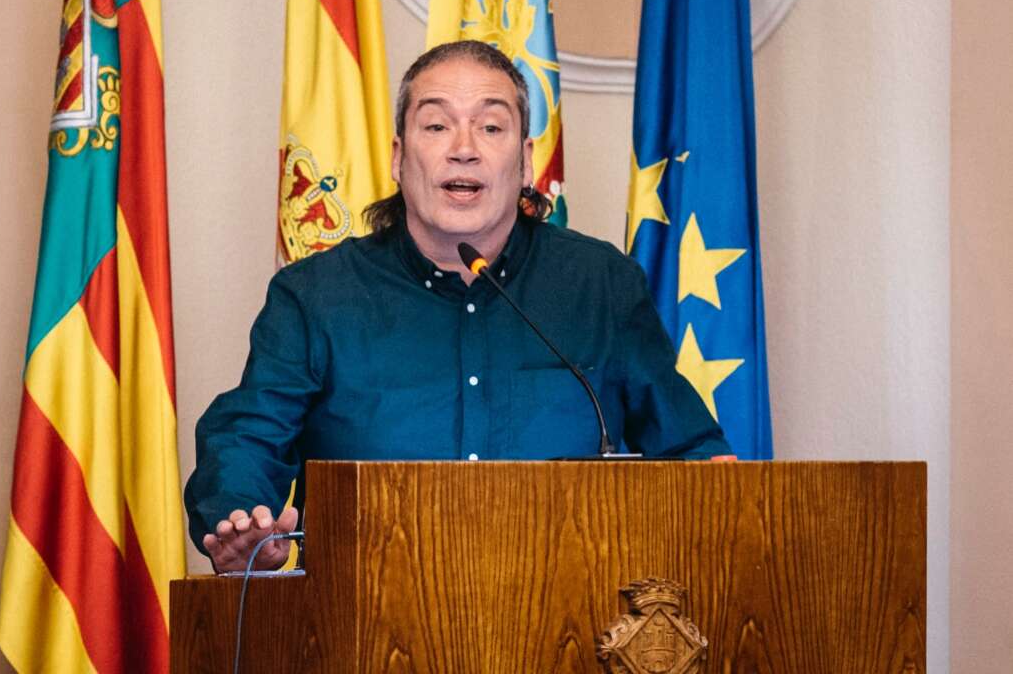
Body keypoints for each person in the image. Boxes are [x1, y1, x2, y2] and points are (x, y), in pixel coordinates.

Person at [185, 40, 732, 573]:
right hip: (368, 614)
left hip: (570, 610)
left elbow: (688, 450)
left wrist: (723, 491)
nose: (463, 147)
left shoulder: (600, 284)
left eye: (491, 127)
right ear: (399, 157)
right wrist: (241, 520)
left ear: (526, 162)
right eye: (436, 125)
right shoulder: (316, 296)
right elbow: (247, 436)